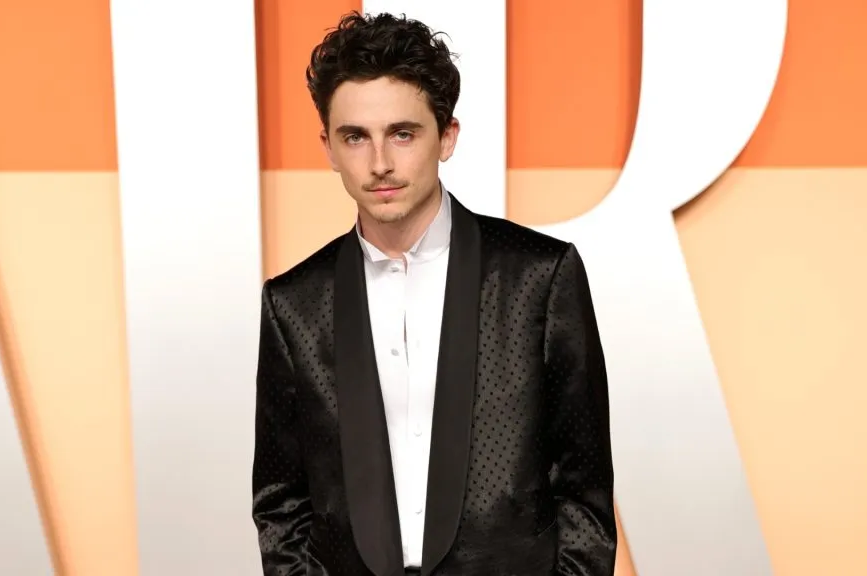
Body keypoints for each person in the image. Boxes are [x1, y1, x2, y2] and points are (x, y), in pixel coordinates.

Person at [251, 11, 616, 576]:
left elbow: (584, 493)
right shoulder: (294, 304)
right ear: (328, 148)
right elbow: (282, 503)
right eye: (355, 137)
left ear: (446, 137)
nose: (379, 164)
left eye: (403, 133)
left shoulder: (538, 278)